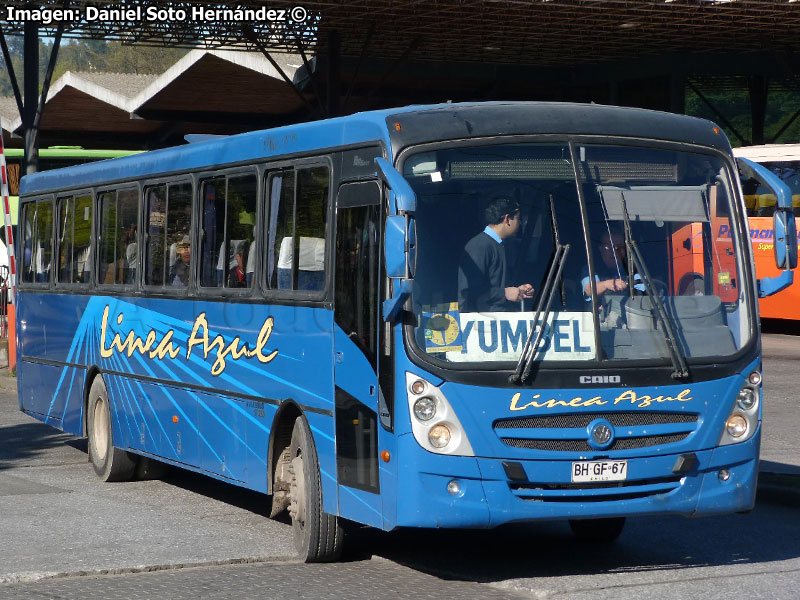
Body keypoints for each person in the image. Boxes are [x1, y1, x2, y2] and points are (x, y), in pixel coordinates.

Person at [458, 197, 534, 312]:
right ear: (507, 219)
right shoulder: (479, 246)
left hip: (498, 321)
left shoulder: (501, 245)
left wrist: (518, 290)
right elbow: (470, 290)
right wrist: (504, 293)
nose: (520, 223)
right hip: (482, 324)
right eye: (518, 218)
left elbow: (497, 285)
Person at [582, 229, 643, 300]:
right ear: (601, 249)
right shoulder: (590, 268)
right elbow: (589, 290)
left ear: (625, 250)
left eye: (618, 247)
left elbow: (645, 291)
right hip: (600, 311)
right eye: (608, 248)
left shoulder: (635, 268)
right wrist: (607, 284)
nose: (613, 252)